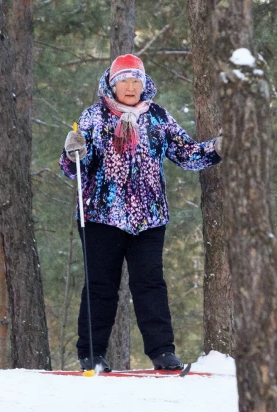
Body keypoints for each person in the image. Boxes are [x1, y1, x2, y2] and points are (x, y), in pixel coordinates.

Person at [59, 54, 222, 372]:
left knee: (150, 284)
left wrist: (217, 148)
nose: (131, 87)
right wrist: (72, 151)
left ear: (144, 84)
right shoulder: (94, 117)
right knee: (100, 285)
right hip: (101, 216)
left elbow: (187, 154)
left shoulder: (158, 117)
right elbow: (73, 167)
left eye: (136, 81)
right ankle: (92, 355)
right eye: (124, 81)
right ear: (112, 84)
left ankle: (163, 352)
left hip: (148, 217)